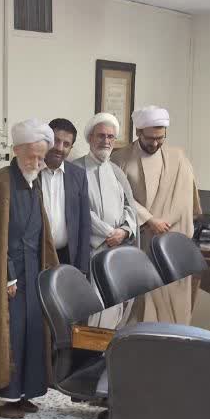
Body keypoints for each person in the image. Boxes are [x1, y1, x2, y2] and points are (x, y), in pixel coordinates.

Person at [0, 119, 60, 419]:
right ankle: (0, 399)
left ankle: (23, 392)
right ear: (16, 150)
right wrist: (7, 275)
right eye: (32, 157)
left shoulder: (33, 180)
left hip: (33, 272)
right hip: (9, 274)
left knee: (32, 332)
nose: (37, 163)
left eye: (41, 158)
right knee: (9, 334)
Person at [112, 105, 200, 323]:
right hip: (140, 241)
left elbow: (186, 197)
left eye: (160, 138)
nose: (155, 143)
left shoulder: (178, 157)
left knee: (174, 304)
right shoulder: (120, 158)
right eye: (150, 138)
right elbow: (120, 197)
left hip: (172, 243)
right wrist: (150, 220)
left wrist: (166, 222)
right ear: (138, 132)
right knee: (141, 304)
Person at [79, 113, 139, 329]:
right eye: (101, 136)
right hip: (92, 251)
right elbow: (80, 210)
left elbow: (129, 206)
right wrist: (107, 234)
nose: (106, 141)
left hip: (118, 249)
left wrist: (124, 231)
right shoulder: (76, 169)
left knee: (117, 306)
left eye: (110, 137)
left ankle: (111, 348)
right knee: (95, 308)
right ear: (90, 138)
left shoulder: (116, 171)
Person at [42, 118, 93, 276]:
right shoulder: (31, 171)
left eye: (66, 144)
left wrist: (82, 268)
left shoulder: (78, 175)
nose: (59, 148)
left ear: (71, 148)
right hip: (37, 256)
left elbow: (84, 224)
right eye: (56, 141)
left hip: (67, 256)